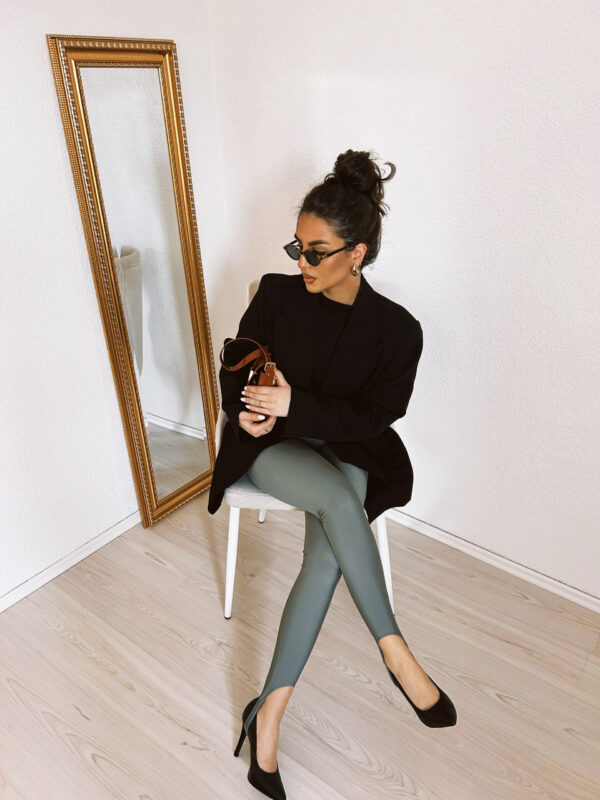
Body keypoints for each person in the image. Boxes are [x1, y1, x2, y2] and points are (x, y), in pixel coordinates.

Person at [218, 150, 457, 800]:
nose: (302, 262)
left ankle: (267, 714)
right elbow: (236, 371)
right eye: (297, 247)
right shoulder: (275, 295)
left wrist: (297, 402)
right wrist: (253, 408)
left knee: (327, 550)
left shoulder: (398, 332)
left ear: (357, 253)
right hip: (273, 447)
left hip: (349, 446)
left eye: (316, 252)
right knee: (336, 498)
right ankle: (395, 651)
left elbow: (373, 418)